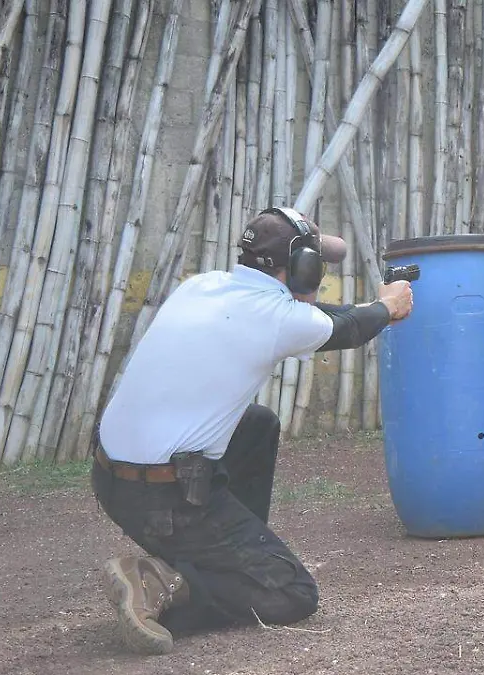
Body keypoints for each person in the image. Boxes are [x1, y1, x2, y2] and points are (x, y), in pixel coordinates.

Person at [89, 206, 413, 656]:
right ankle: (165, 583)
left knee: (257, 424)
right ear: (302, 267)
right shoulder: (279, 319)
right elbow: (348, 328)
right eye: (317, 263)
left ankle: (229, 557)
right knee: (292, 593)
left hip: (112, 479)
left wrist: (375, 309)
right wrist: (388, 306)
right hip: (161, 501)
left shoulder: (203, 285)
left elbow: (325, 317)